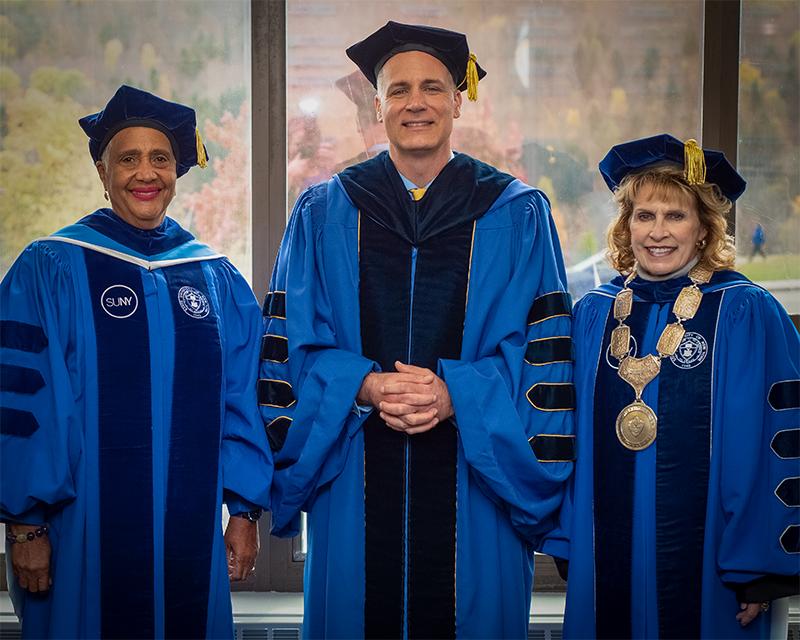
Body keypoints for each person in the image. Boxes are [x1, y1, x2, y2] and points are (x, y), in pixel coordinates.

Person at [260, 21, 574, 639]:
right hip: (355, 479)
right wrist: (365, 386)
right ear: (377, 106)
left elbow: (544, 352)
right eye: (398, 90)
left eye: (432, 87)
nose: (416, 103)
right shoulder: (324, 211)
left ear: (458, 100)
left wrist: (458, 394)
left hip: (476, 488)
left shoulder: (516, 212)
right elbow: (291, 342)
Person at [0, 85, 272, 639]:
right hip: (81, 534)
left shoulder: (214, 277)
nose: (145, 173)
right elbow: (23, 402)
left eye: (160, 159)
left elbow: (243, 400)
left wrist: (244, 511)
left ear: (177, 172)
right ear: (103, 172)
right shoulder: (51, 267)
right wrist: (25, 527)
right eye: (128, 159)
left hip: (189, 534)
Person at [552, 134, 800, 639]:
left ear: (704, 228)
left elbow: (773, 442)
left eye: (675, 216)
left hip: (718, 570)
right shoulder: (594, 314)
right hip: (606, 560)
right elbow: (566, 437)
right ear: (627, 225)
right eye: (644, 215)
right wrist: (571, 537)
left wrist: (758, 567)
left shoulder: (744, 311)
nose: (658, 232)